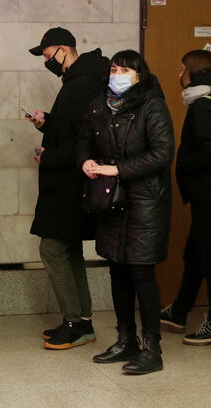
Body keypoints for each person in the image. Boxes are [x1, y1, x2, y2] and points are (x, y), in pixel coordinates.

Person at [77, 50, 174, 375]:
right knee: (117, 269)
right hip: (111, 200)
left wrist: (116, 169)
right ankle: (125, 340)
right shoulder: (98, 104)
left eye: (125, 69)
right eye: (114, 68)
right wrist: (86, 162)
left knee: (141, 272)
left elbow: (163, 153)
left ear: (139, 74)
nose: (117, 74)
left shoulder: (152, 105)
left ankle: (152, 349)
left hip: (145, 201)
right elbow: (84, 140)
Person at [25, 27, 109, 350]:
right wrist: (47, 121)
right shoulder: (78, 79)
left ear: (64, 49)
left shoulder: (83, 82)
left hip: (69, 182)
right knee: (69, 248)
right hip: (69, 181)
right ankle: (82, 320)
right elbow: (73, 126)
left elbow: (84, 139)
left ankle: (75, 320)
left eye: (48, 56)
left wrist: (50, 156)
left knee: (52, 248)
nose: (47, 63)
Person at [159, 50, 211, 346]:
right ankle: (179, 311)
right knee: (194, 253)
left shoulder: (203, 106)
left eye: (182, 69)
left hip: (209, 192)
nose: (179, 74)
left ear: (192, 72)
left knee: (208, 257)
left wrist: (182, 161)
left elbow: (209, 153)